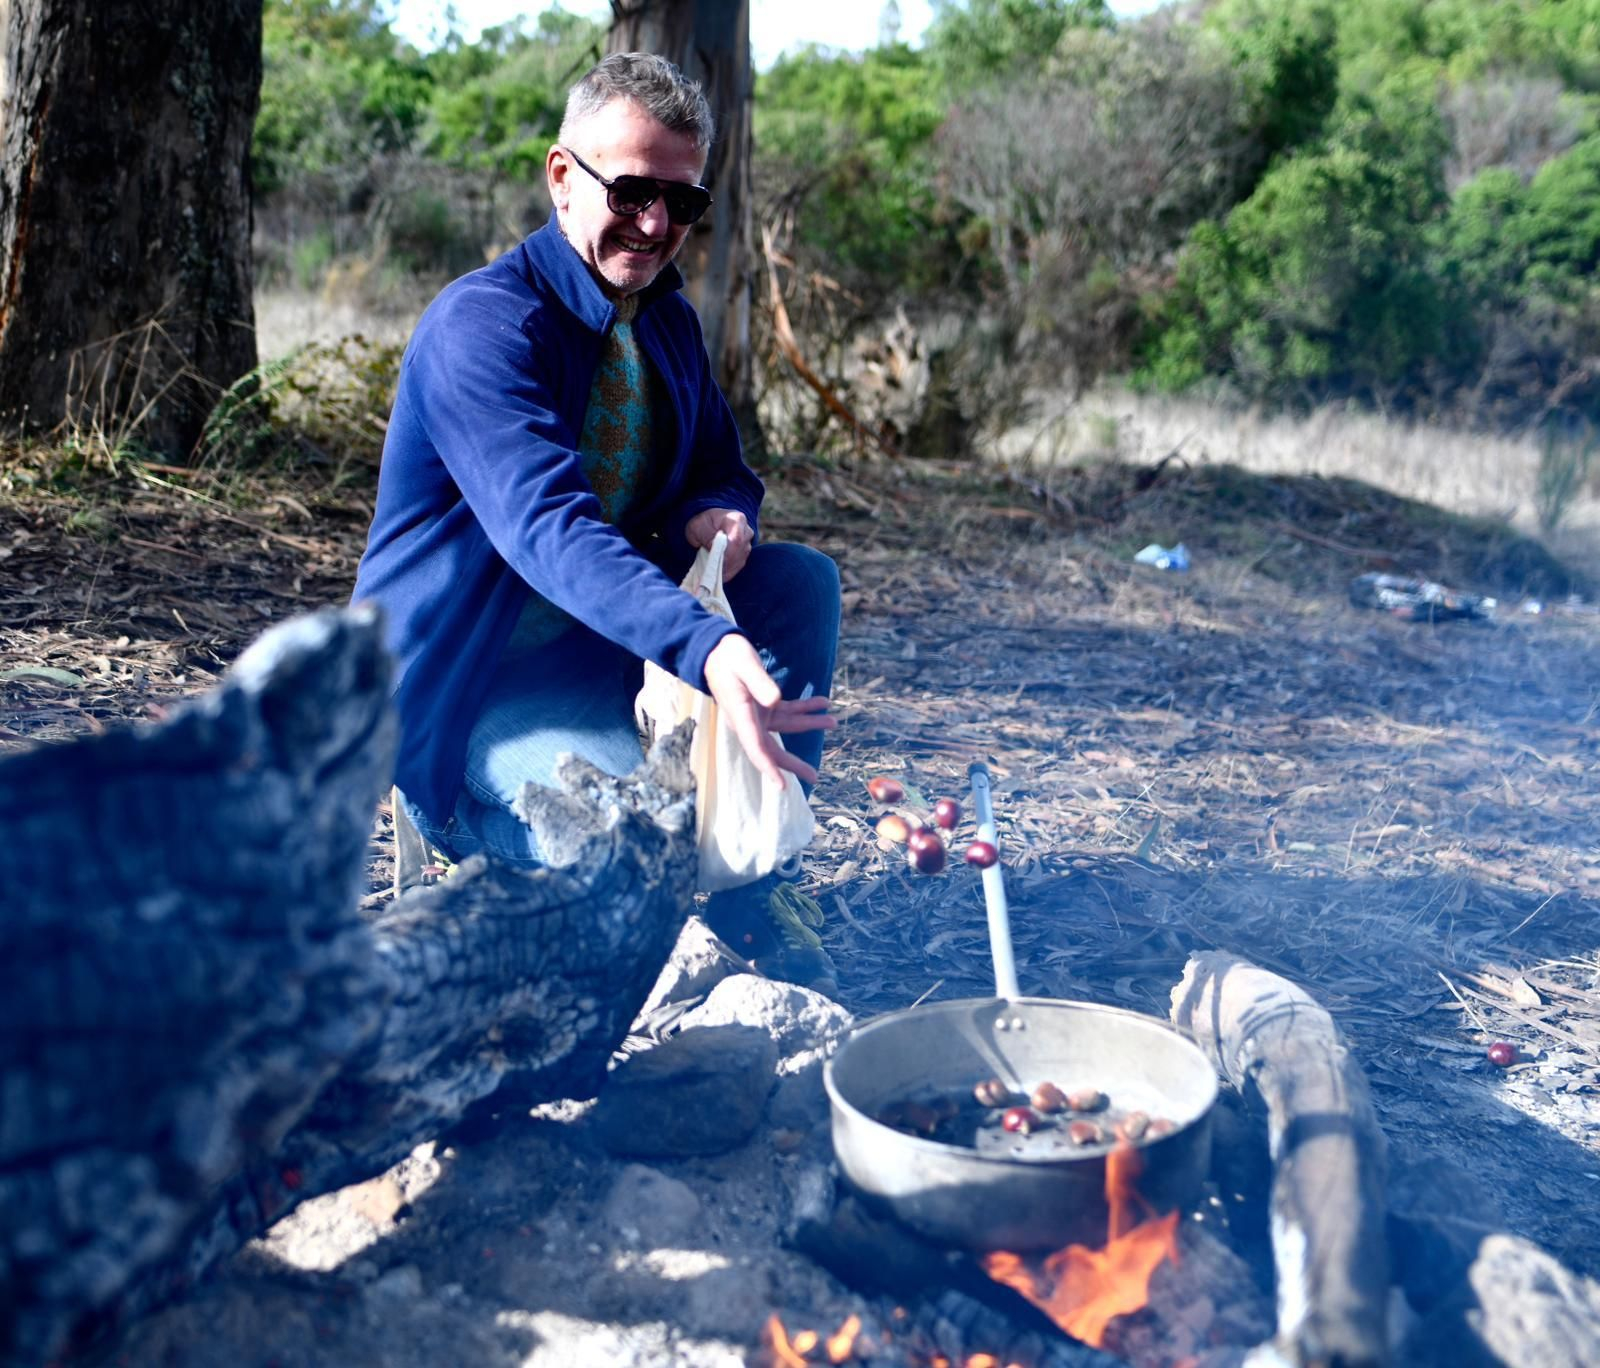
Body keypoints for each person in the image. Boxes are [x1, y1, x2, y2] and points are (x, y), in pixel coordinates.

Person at [352, 53, 842, 990]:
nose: (655, 225)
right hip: (473, 692)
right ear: (562, 177)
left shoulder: (663, 322)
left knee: (798, 582)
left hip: (600, 660)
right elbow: (549, 527)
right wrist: (705, 644)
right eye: (631, 192)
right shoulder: (482, 329)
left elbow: (722, 466)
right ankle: (464, 826)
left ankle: (755, 887)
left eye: (682, 202)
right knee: (637, 856)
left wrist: (721, 514)